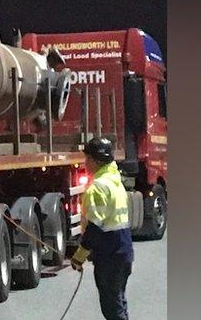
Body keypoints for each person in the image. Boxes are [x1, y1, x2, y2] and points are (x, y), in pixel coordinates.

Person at [70, 137, 134, 320]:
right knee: (119, 303)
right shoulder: (115, 182)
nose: (85, 162)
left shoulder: (97, 188)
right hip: (123, 252)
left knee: (112, 309)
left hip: (109, 256)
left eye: (87, 158)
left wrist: (78, 257)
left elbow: (95, 228)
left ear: (96, 161)